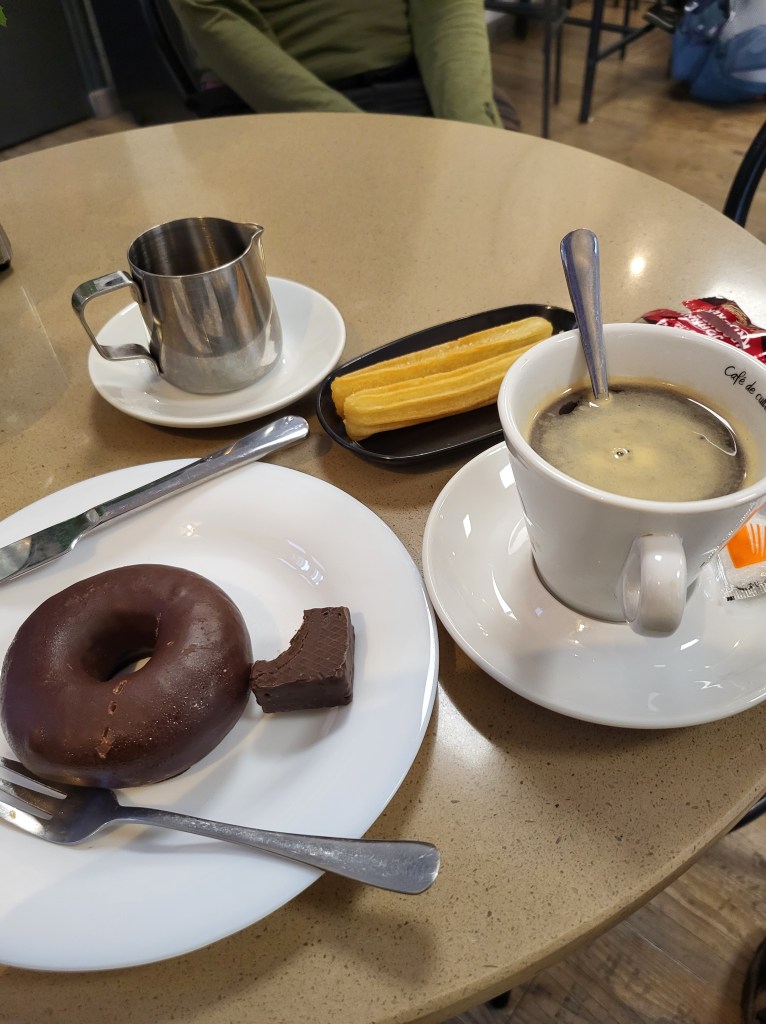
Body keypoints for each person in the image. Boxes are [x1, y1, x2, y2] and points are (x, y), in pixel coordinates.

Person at [168, 0, 519, 129]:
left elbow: (446, 12)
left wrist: (471, 131)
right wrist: (352, 135)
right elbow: (213, 17)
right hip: (264, 102)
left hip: (413, 82)